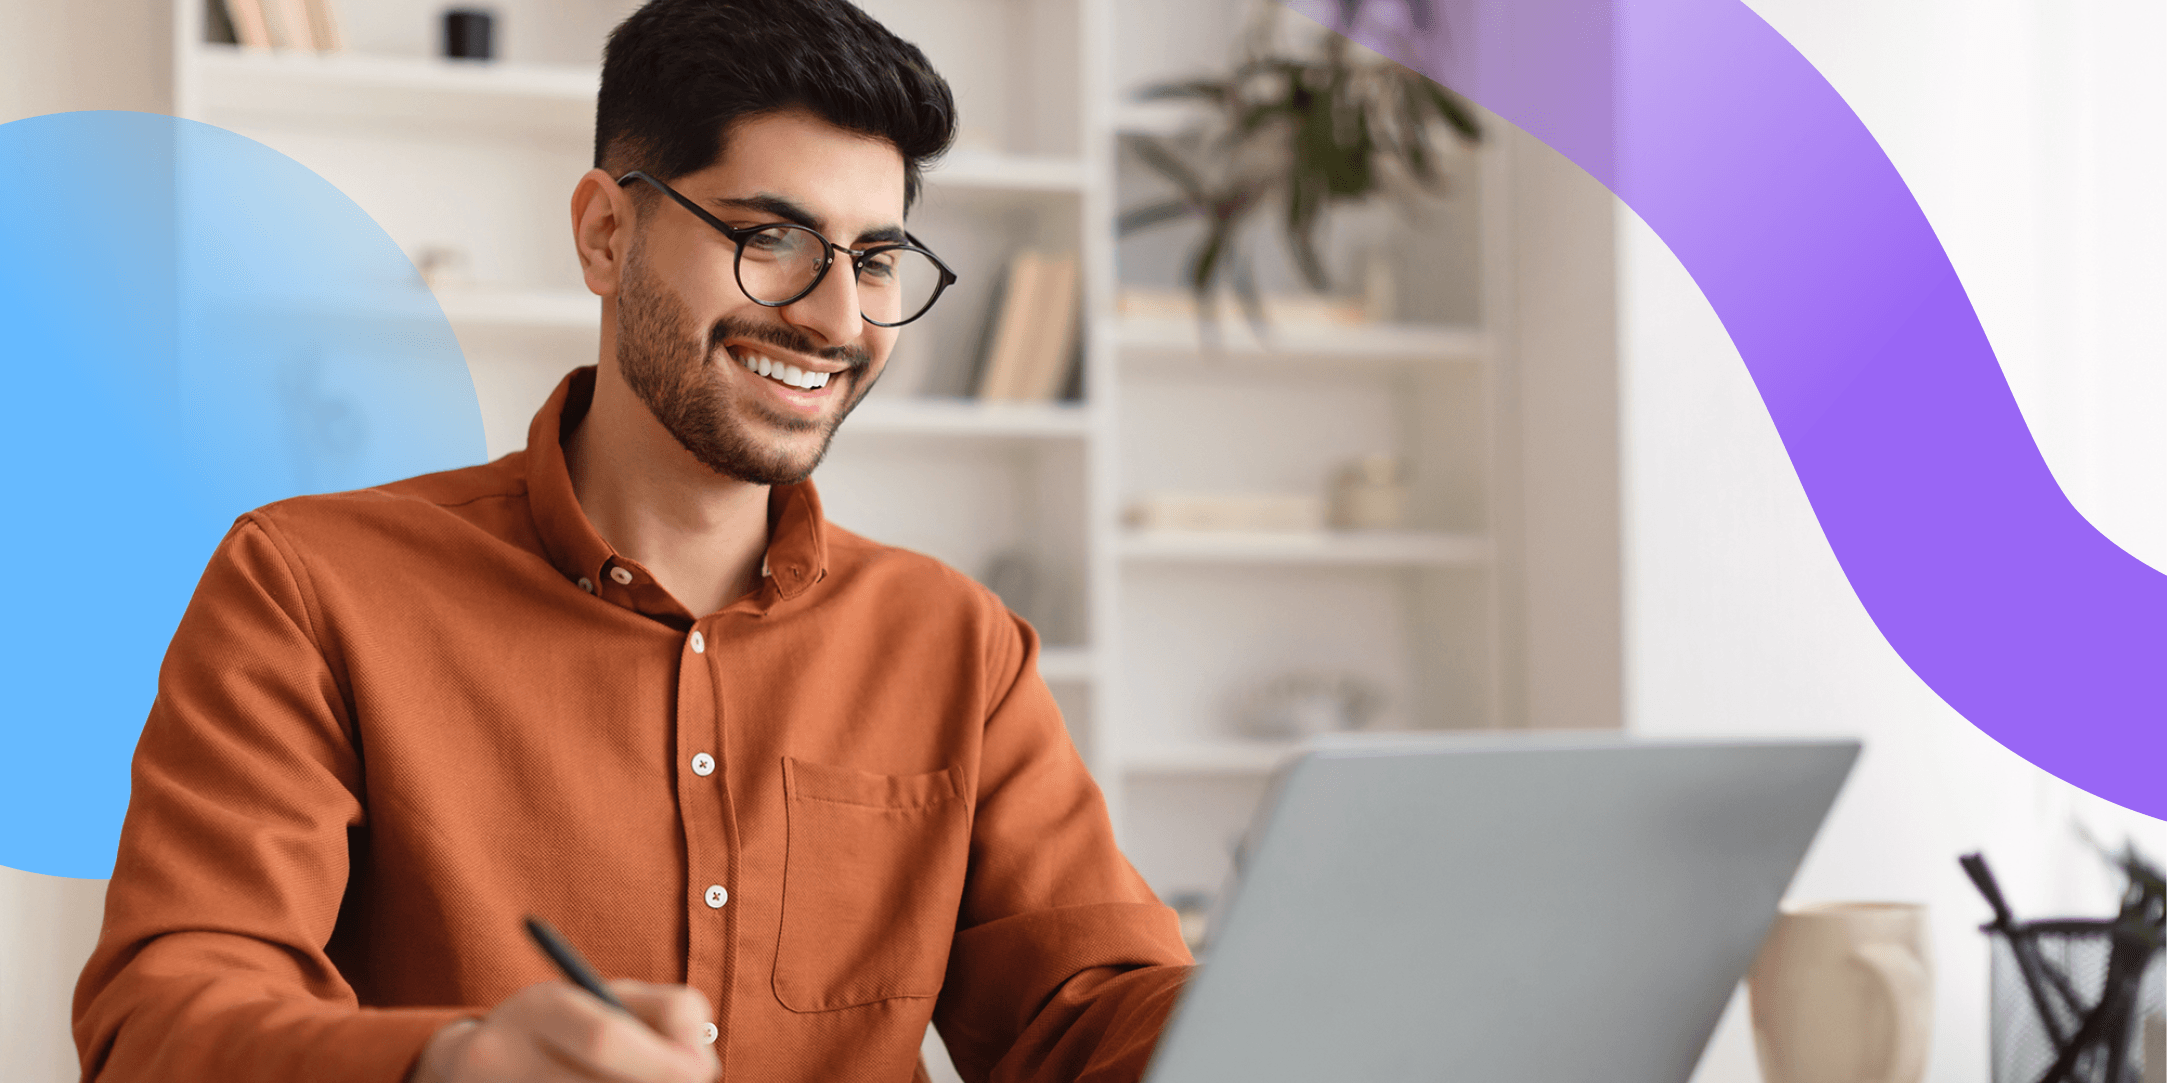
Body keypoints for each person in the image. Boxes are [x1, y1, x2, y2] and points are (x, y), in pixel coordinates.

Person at [70, 2, 1193, 1081]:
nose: (837, 320)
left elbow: (1082, 1011)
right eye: (772, 238)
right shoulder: (309, 588)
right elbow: (164, 1022)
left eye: (877, 259)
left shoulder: (958, 643)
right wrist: (448, 1065)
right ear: (606, 233)